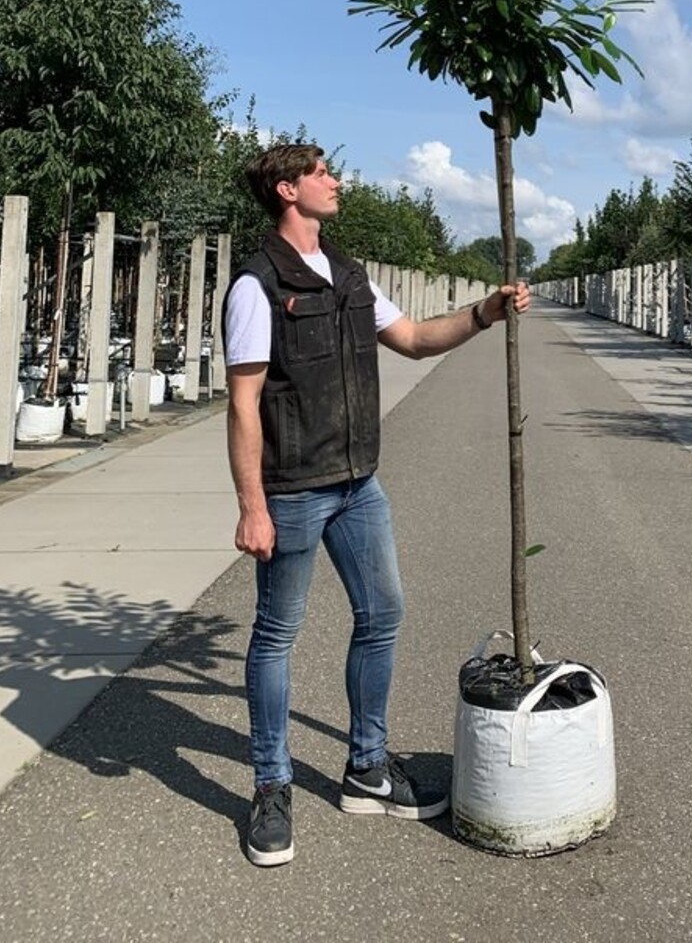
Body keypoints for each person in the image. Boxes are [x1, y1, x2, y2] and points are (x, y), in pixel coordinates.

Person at [222, 142, 530, 867]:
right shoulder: (257, 285)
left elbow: (416, 339)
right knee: (277, 633)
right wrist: (252, 505)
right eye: (321, 174)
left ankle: (366, 767)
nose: (336, 182)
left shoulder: (350, 275)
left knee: (382, 613)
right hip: (294, 488)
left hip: (359, 483)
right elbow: (242, 403)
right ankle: (271, 785)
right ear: (287, 190)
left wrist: (484, 312)